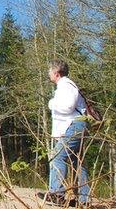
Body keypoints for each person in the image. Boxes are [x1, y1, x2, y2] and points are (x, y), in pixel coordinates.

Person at [38, 59, 91, 207]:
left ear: (56, 73)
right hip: (75, 125)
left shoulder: (66, 85)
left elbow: (68, 107)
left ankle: (57, 194)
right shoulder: (65, 86)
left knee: (57, 156)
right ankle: (84, 200)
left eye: (50, 71)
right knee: (77, 162)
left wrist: (51, 103)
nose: (49, 74)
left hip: (75, 125)